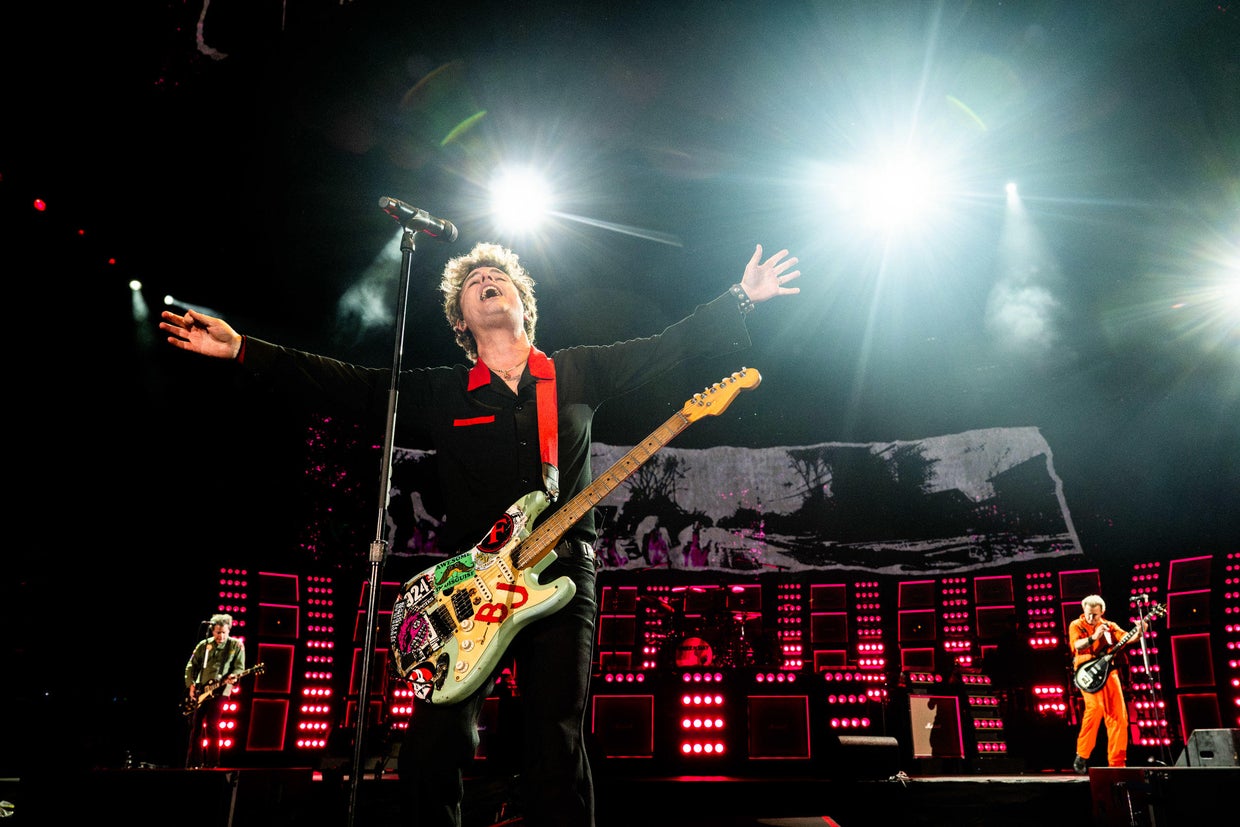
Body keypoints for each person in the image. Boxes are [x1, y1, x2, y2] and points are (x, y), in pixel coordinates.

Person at [160, 240, 801, 825]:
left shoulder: (575, 372)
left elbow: (669, 346)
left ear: (525, 304)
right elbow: (350, 386)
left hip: (562, 571)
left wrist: (741, 297)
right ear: (461, 320)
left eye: (500, 277)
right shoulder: (444, 393)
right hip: (464, 590)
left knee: (557, 735)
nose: (488, 279)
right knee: (434, 740)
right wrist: (244, 347)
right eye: (475, 282)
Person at [1069, 594, 1144, 773]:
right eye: (1088, 614)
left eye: (1094, 615)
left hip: (1108, 672)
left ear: (1102, 612)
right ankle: (1083, 754)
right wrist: (1094, 637)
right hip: (1086, 672)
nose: (1090, 618)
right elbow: (1076, 645)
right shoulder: (1076, 624)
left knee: (1119, 716)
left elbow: (1127, 637)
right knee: (1095, 709)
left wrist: (1140, 631)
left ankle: (1117, 765)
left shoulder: (1110, 626)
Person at [183, 613, 247, 769]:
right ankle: (194, 762)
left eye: (224, 632)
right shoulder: (204, 645)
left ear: (229, 631)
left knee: (212, 724)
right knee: (196, 725)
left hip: (221, 690)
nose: (221, 636)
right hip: (202, 690)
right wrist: (191, 684)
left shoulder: (236, 645)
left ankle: (213, 763)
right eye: (218, 632)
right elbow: (191, 665)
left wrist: (234, 676)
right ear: (212, 631)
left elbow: (240, 667)